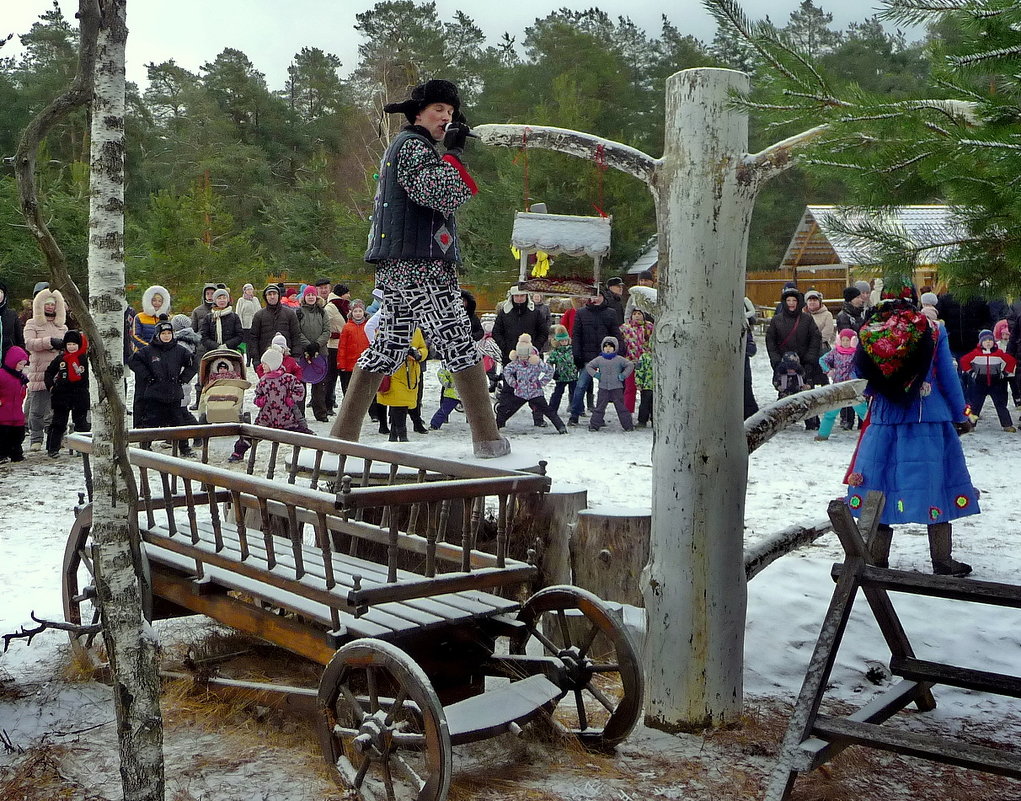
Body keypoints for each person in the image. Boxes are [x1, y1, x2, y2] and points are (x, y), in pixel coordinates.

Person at [331, 78, 508, 457]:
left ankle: (341, 436)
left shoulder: (412, 147)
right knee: (458, 339)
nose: (446, 117)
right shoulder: (413, 147)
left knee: (387, 347)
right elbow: (440, 192)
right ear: (417, 114)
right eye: (438, 110)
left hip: (401, 265)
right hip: (420, 264)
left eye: (450, 112)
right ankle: (488, 439)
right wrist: (456, 153)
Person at [845, 298, 980, 577]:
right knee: (937, 485)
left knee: (879, 487)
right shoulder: (932, 329)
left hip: (884, 420)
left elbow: (859, 375)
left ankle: (877, 559)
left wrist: (882, 391)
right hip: (928, 419)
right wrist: (961, 414)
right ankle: (942, 561)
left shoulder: (870, 330)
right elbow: (947, 375)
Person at [128, 320, 197, 455]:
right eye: (163, 333)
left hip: (174, 394)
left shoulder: (179, 350)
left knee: (179, 423)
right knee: (150, 423)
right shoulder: (148, 350)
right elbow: (133, 361)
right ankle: (145, 446)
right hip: (154, 394)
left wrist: (184, 378)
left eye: (169, 333)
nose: (166, 336)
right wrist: (147, 376)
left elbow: (194, 362)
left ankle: (184, 448)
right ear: (157, 335)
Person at [765, 287, 821, 428]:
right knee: (784, 394)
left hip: (803, 363)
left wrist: (809, 360)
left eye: (794, 300)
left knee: (807, 393)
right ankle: (780, 422)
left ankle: (811, 422)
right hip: (783, 365)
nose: (791, 303)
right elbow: (770, 341)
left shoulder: (807, 320)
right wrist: (776, 361)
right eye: (788, 300)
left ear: (799, 302)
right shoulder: (777, 320)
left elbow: (815, 340)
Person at [22, 288, 68, 451]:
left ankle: (56, 437)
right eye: (47, 304)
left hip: (58, 373)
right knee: (37, 409)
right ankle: (36, 438)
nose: (50, 307)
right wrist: (49, 342)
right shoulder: (32, 323)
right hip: (39, 371)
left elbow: (68, 345)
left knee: (57, 409)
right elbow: (29, 343)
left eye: (53, 304)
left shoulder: (62, 326)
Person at [568, 292, 621, 425]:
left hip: (606, 356)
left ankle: (598, 416)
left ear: (603, 298)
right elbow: (577, 335)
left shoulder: (610, 313)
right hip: (587, 356)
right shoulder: (581, 313)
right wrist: (577, 354)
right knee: (581, 386)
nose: (596, 299)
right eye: (593, 296)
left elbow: (615, 334)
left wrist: (619, 351)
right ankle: (574, 414)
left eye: (599, 296)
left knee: (603, 389)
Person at [496, 335, 566, 433]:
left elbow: (550, 370)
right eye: (520, 355)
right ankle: (496, 426)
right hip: (520, 392)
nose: (523, 358)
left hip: (535, 392)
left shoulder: (536, 362)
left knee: (548, 410)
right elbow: (506, 371)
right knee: (509, 409)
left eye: (525, 356)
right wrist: (514, 383)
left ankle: (561, 427)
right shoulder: (516, 363)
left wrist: (541, 383)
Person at [43, 330, 91, 458]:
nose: (71, 347)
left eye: (74, 344)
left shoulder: (85, 359)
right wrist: (51, 387)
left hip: (80, 394)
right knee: (58, 423)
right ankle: (53, 448)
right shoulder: (60, 359)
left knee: (81, 423)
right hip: (62, 395)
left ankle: (82, 447)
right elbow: (48, 373)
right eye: (69, 344)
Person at [959, 328, 1017, 432]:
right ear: (981, 342)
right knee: (974, 405)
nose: (988, 342)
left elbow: (1011, 361)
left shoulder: (999, 353)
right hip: (979, 384)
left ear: (994, 342)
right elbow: (963, 361)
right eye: (985, 340)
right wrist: (971, 372)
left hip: (996, 384)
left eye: (990, 340)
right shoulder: (975, 353)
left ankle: (1007, 425)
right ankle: (969, 425)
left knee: (1001, 405)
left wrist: (1005, 373)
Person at [376, 328, 428, 442]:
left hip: (411, 374)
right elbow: (378, 347)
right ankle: (402, 435)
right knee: (399, 404)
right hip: (393, 371)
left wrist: (418, 354)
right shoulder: (386, 328)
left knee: (402, 404)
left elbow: (423, 348)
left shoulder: (416, 330)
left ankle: (394, 435)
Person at [815, 329, 868, 441]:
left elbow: (865, 366)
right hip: (838, 388)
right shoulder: (835, 352)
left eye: (847, 340)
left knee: (864, 413)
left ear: (853, 341)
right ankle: (822, 435)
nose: (845, 342)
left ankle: (873, 435)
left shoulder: (857, 353)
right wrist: (829, 371)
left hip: (854, 389)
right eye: (843, 340)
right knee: (830, 414)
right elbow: (822, 360)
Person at [251, 347, 307, 438]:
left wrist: (292, 399)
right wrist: (260, 400)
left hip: (286, 419)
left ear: (272, 364)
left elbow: (300, 390)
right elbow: (258, 394)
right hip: (266, 418)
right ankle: (240, 449)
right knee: (252, 435)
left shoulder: (288, 378)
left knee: (303, 435)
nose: (262, 366)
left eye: (265, 364)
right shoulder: (263, 380)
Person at [295, 285, 332, 422]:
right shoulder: (298, 312)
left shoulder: (322, 312)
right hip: (303, 353)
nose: (310, 297)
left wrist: (317, 344)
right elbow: (297, 331)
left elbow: (326, 331)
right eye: (308, 295)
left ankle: (321, 413)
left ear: (316, 297)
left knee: (320, 385)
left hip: (320, 352)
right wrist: (307, 345)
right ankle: (300, 414)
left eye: (312, 295)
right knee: (301, 384)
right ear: (304, 297)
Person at [585, 336, 635, 432]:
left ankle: (628, 425)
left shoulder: (619, 359)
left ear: (615, 348)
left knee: (621, 408)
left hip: (617, 388)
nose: (608, 349)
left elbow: (630, 365)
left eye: (610, 347)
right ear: (602, 348)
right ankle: (594, 425)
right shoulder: (599, 359)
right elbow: (589, 366)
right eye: (606, 347)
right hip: (603, 387)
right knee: (599, 407)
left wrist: (623, 375)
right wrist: (595, 374)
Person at [491, 286, 550, 365]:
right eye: (516, 296)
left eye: (522, 296)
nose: (519, 298)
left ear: (526, 296)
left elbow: (543, 332)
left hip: (531, 357)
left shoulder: (535, 313)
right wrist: (505, 347)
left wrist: (535, 347)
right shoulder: (504, 313)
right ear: (512, 297)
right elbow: (496, 332)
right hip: (510, 356)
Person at [251, 284, 301, 359]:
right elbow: (254, 338)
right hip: (265, 358)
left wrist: (296, 356)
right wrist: (256, 359)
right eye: (269, 294)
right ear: (265, 297)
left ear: (279, 295)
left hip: (286, 357)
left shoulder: (289, 314)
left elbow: (296, 336)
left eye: (274, 294)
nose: (272, 297)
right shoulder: (259, 315)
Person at [619, 309, 653, 415]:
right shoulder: (625, 328)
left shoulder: (649, 327)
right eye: (634, 314)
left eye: (639, 314)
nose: (637, 316)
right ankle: (627, 413)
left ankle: (646, 414)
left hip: (646, 363)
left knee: (647, 390)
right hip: (630, 361)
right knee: (630, 388)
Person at [0, 345, 29, 463]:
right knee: (3, 436)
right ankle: (2, 454)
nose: (21, 367)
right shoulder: (2, 375)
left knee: (18, 435)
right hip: (3, 412)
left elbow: (22, 393)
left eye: (23, 364)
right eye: (20, 364)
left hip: (17, 412)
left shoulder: (21, 378)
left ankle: (16, 453)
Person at [323, 280, 348, 414]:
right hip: (332, 346)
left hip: (344, 346)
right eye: (347, 293)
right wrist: (332, 334)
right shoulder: (331, 307)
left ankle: (346, 405)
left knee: (345, 377)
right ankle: (328, 404)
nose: (349, 296)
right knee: (331, 377)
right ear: (342, 294)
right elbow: (324, 323)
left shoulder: (344, 306)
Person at [337, 300, 370, 397]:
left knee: (363, 388)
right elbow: (342, 347)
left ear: (364, 312)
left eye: (360, 311)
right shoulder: (347, 327)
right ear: (351, 312)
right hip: (350, 364)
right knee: (350, 389)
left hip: (365, 363)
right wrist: (341, 364)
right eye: (355, 311)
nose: (358, 314)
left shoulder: (368, 326)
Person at [546, 325, 578, 416]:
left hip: (573, 375)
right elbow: (549, 362)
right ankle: (552, 409)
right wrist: (552, 372)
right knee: (558, 393)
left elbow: (577, 359)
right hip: (561, 376)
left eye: (565, 340)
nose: (564, 342)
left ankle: (574, 408)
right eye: (562, 341)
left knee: (574, 393)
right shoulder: (555, 352)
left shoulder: (572, 350)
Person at [200, 288, 244, 352]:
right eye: (219, 298)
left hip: (231, 350)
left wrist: (227, 345)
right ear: (215, 300)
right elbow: (204, 337)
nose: (222, 300)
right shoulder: (208, 318)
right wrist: (216, 346)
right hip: (212, 351)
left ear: (228, 300)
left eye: (224, 298)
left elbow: (239, 336)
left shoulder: (234, 317)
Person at [234, 283, 262, 365]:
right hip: (246, 325)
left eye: (251, 289)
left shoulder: (255, 299)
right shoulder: (241, 300)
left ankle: (256, 358)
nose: (250, 291)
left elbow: (259, 311)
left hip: (256, 324)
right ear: (245, 291)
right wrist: (239, 325)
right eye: (248, 290)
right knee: (248, 344)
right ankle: (248, 360)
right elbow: (238, 313)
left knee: (256, 342)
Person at [429, 362, 461, 430]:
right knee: (444, 410)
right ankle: (434, 424)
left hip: (466, 392)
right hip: (452, 393)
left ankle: (478, 424)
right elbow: (441, 373)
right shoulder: (449, 364)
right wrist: (447, 384)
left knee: (474, 410)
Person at [0, 280, 27, 360]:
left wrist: (20, 356)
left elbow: (19, 338)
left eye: (1, 292)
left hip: (9, 359)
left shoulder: (12, 314)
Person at [635, 337, 654, 428]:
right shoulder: (644, 357)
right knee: (644, 404)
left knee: (655, 405)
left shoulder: (662, 356)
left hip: (658, 387)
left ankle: (655, 420)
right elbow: (639, 370)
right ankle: (642, 421)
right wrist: (638, 382)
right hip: (646, 386)